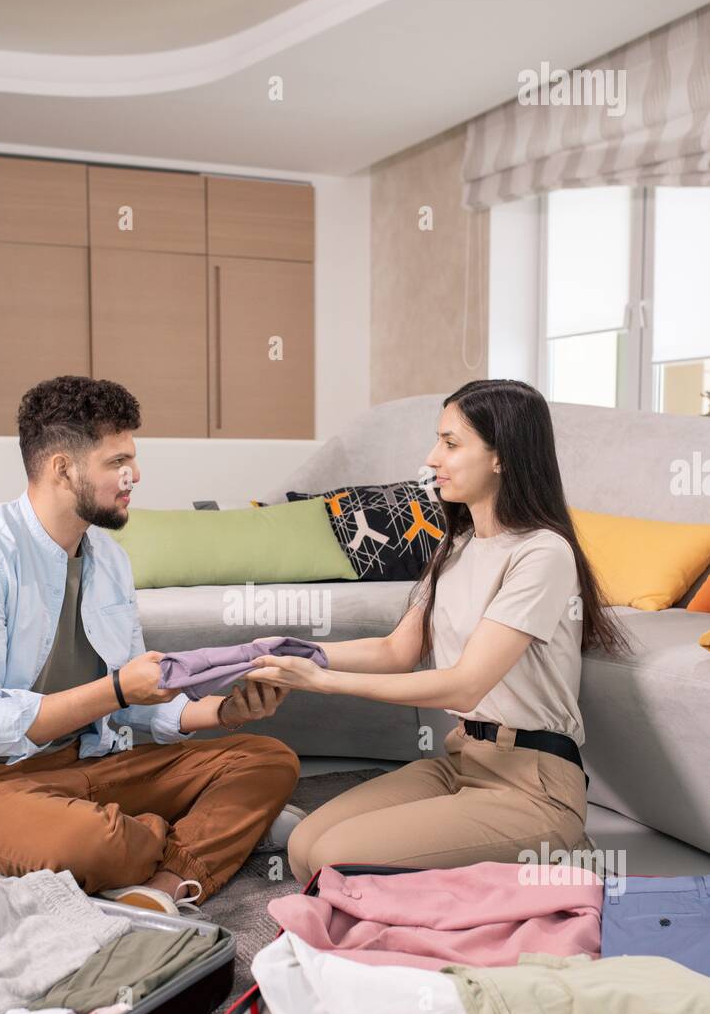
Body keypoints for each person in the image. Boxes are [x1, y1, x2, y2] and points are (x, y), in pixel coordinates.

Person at [0, 376, 302, 910]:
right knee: (96, 843)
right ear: (63, 469)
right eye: (118, 462)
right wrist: (117, 689)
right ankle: (190, 837)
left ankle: (160, 890)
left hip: (92, 763)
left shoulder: (109, 559)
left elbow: (135, 704)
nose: (135, 475)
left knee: (268, 760)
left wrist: (224, 712)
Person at [245, 378, 630, 885]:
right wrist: (301, 652)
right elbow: (395, 650)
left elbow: (465, 685)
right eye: (438, 441)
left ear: (501, 456)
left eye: (451, 443)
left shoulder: (542, 553)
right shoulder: (457, 547)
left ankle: (559, 854)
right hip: (460, 759)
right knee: (303, 847)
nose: (431, 459)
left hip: (531, 784)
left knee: (334, 861)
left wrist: (323, 682)